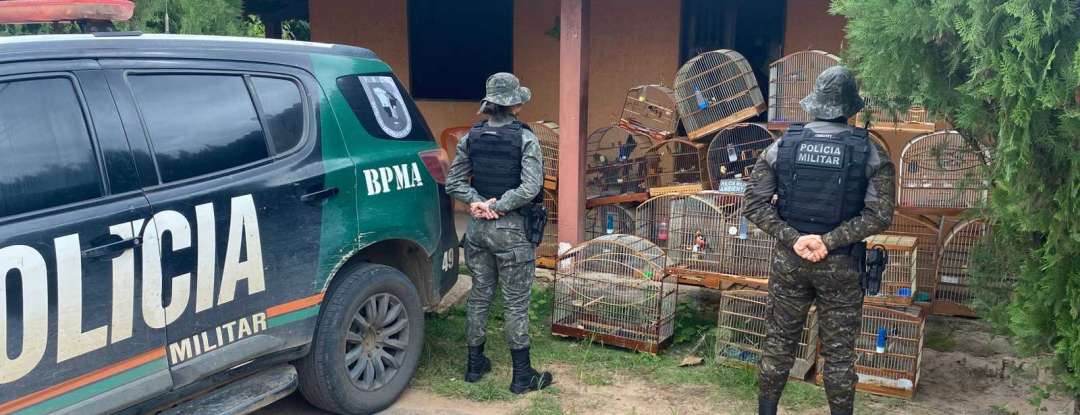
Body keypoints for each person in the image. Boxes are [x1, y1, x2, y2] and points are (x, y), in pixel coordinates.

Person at [744, 66, 896, 415]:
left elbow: (752, 203)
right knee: (840, 354)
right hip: (841, 265)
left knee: (778, 344)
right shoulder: (869, 151)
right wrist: (828, 242)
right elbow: (880, 215)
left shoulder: (783, 145)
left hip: (790, 262)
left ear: (813, 103)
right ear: (850, 108)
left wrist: (794, 239)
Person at [445, 72, 553, 394]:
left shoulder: (471, 137)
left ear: (489, 104)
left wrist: (478, 204)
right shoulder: (526, 138)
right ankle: (522, 377)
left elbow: (454, 183)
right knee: (516, 303)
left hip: (478, 230)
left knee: (480, 295)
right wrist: (500, 206)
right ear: (516, 105)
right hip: (512, 232)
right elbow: (532, 187)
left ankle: (474, 366)